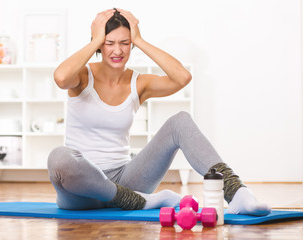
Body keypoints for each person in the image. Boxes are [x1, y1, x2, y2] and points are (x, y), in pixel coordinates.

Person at [48, 8, 271, 216]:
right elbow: (60, 78)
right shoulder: (82, 77)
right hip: (80, 190)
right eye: (109, 43)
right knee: (59, 158)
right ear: (99, 44)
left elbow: (182, 78)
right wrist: (96, 38)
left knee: (180, 121)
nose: (118, 50)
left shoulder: (138, 83)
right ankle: (135, 201)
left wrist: (140, 40)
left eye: (125, 43)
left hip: (127, 180)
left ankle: (238, 194)